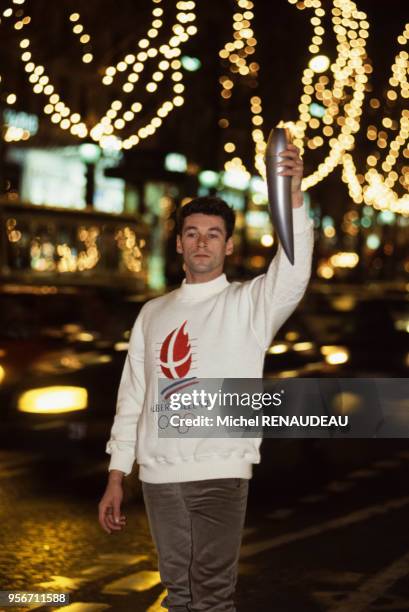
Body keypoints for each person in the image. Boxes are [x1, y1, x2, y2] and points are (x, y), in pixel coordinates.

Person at [98, 143, 314, 611]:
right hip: (159, 478)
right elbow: (133, 396)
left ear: (228, 245)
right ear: (178, 243)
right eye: (192, 233)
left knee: (212, 596)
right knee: (178, 595)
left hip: (220, 472)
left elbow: (294, 273)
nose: (201, 243)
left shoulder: (250, 305)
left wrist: (294, 195)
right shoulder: (153, 313)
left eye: (213, 234)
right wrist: (118, 474)